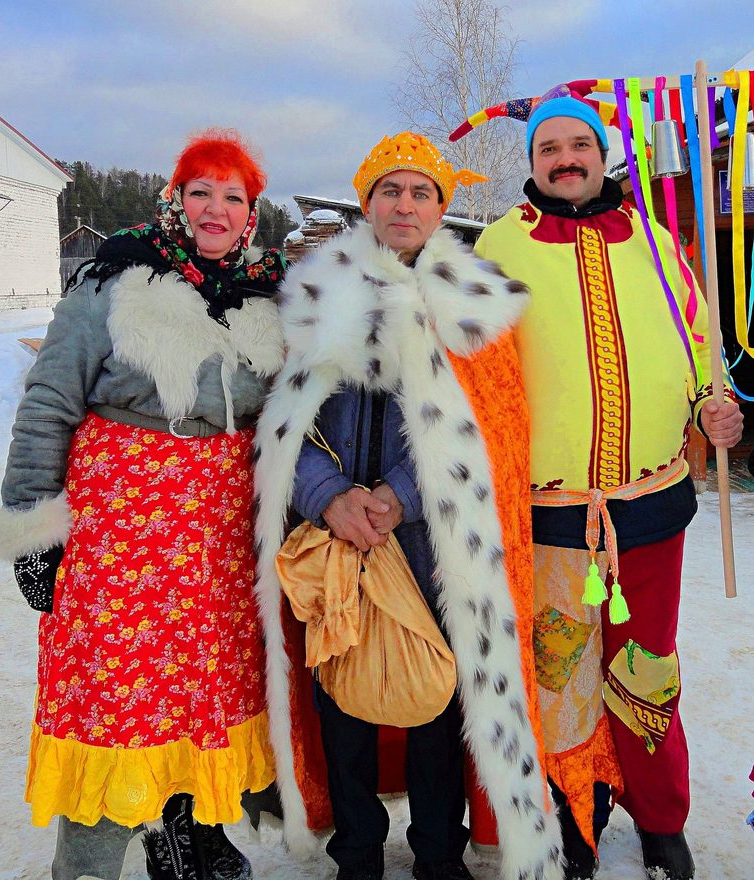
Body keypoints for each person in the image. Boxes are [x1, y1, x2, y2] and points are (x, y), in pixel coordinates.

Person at [252, 132, 564, 880]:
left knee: (434, 707)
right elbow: (280, 428)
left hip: (431, 544)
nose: (405, 203)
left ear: (438, 208)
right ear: (366, 203)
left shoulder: (473, 306)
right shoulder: (315, 295)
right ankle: (356, 850)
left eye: (421, 191)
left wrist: (399, 494)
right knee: (342, 700)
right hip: (332, 543)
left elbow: (494, 433)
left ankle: (436, 853)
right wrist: (329, 500)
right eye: (390, 190)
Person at [0, 129, 286, 880]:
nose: (216, 209)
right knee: (112, 703)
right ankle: (88, 863)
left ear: (251, 215)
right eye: (201, 192)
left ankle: (186, 832)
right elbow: (48, 403)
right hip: (121, 541)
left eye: (234, 197)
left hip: (219, 544)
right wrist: (32, 527)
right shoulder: (113, 285)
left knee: (207, 694)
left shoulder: (266, 298)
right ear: (174, 201)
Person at [467, 93, 744, 880]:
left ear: (602, 153)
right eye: (547, 147)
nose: (564, 158)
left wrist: (711, 405)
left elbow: (699, 348)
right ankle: (575, 817)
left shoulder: (657, 245)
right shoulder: (497, 246)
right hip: (547, 514)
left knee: (645, 667)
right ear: (530, 164)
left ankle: (659, 820)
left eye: (577, 144)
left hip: (649, 506)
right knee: (561, 674)